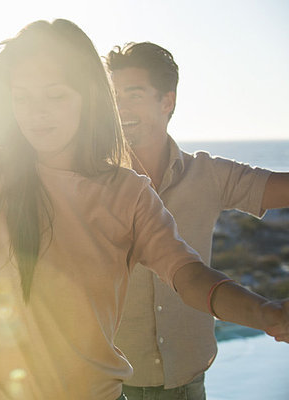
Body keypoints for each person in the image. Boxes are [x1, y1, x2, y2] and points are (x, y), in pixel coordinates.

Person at [0, 19, 289, 400]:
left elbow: (187, 273)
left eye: (55, 96)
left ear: (89, 97)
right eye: (22, 97)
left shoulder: (128, 193)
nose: (36, 112)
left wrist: (265, 312)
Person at [106, 42, 289, 400]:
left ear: (167, 101)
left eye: (133, 95)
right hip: (107, 387)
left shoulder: (207, 175)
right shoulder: (90, 185)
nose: (120, 108)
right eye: (113, 97)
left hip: (186, 387)